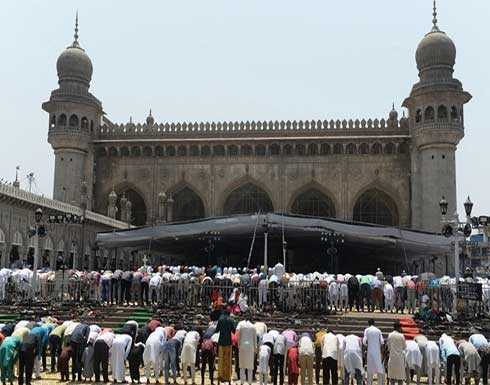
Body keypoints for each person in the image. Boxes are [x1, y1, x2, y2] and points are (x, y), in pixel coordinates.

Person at [214, 309, 235, 384]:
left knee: (221, 359)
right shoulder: (231, 320)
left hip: (221, 341)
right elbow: (234, 331)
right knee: (228, 360)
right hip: (228, 342)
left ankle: (220, 376)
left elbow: (216, 330)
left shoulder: (220, 319)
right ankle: (228, 377)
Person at [363, 319, 385, 385]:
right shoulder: (378, 330)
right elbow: (382, 342)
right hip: (377, 353)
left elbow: (364, 342)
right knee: (379, 370)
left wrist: (367, 346)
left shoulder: (367, 330)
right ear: (374, 323)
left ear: (368, 323)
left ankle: (369, 383)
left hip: (370, 353)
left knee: (369, 371)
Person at [237, 318, 256, 385]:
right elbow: (255, 339)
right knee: (250, 367)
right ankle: (250, 383)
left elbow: (239, 337)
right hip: (250, 347)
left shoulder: (241, 326)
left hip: (242, 346)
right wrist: (255, 349)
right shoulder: (253, 327)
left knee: (242, 366)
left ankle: (242, 382)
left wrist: (238, 346)